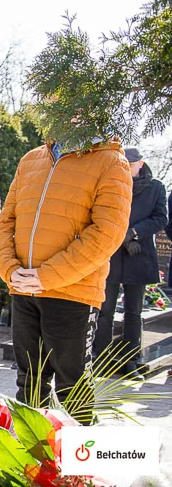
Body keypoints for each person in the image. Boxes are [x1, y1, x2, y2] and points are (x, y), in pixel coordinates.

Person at [0, 138, 132, 422]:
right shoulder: (31, 159)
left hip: (72, 293)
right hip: (23, 289)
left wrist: (47, 276)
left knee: (73, 386)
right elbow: (7, 220)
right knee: (29, 382)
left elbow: (107, 232)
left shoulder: (111, 161)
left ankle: (77, 464)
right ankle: (31, 460)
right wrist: (9, 269)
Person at [93, 147, 167, 380]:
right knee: (105, 310)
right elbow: (101, 214)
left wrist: (134, 233)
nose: (126, 167)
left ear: (140, 164)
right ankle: (99, 359)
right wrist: (121, 236)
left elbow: (160, 218)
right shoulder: (112, 184)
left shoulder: (156, 188)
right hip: (113, 253)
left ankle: (131, 361)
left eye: (130, 163)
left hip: (139, 254)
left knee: (134, 312)